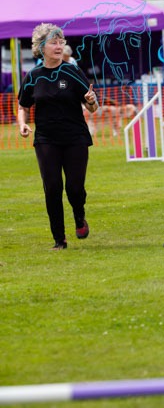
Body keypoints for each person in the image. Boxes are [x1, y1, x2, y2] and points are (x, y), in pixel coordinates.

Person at [17, 23, 99, 250]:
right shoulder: (33, 76)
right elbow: (23, 106)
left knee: (75, 188)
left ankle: (79, 216)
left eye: (61, 42)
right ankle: (59, 239)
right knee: (52, 188)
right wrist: (22, 124)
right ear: (41, 47)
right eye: (53, 42)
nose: (59, 46)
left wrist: (92, 101)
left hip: (75, 138)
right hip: (46, 139)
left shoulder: (72, 72)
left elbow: (92, 107)